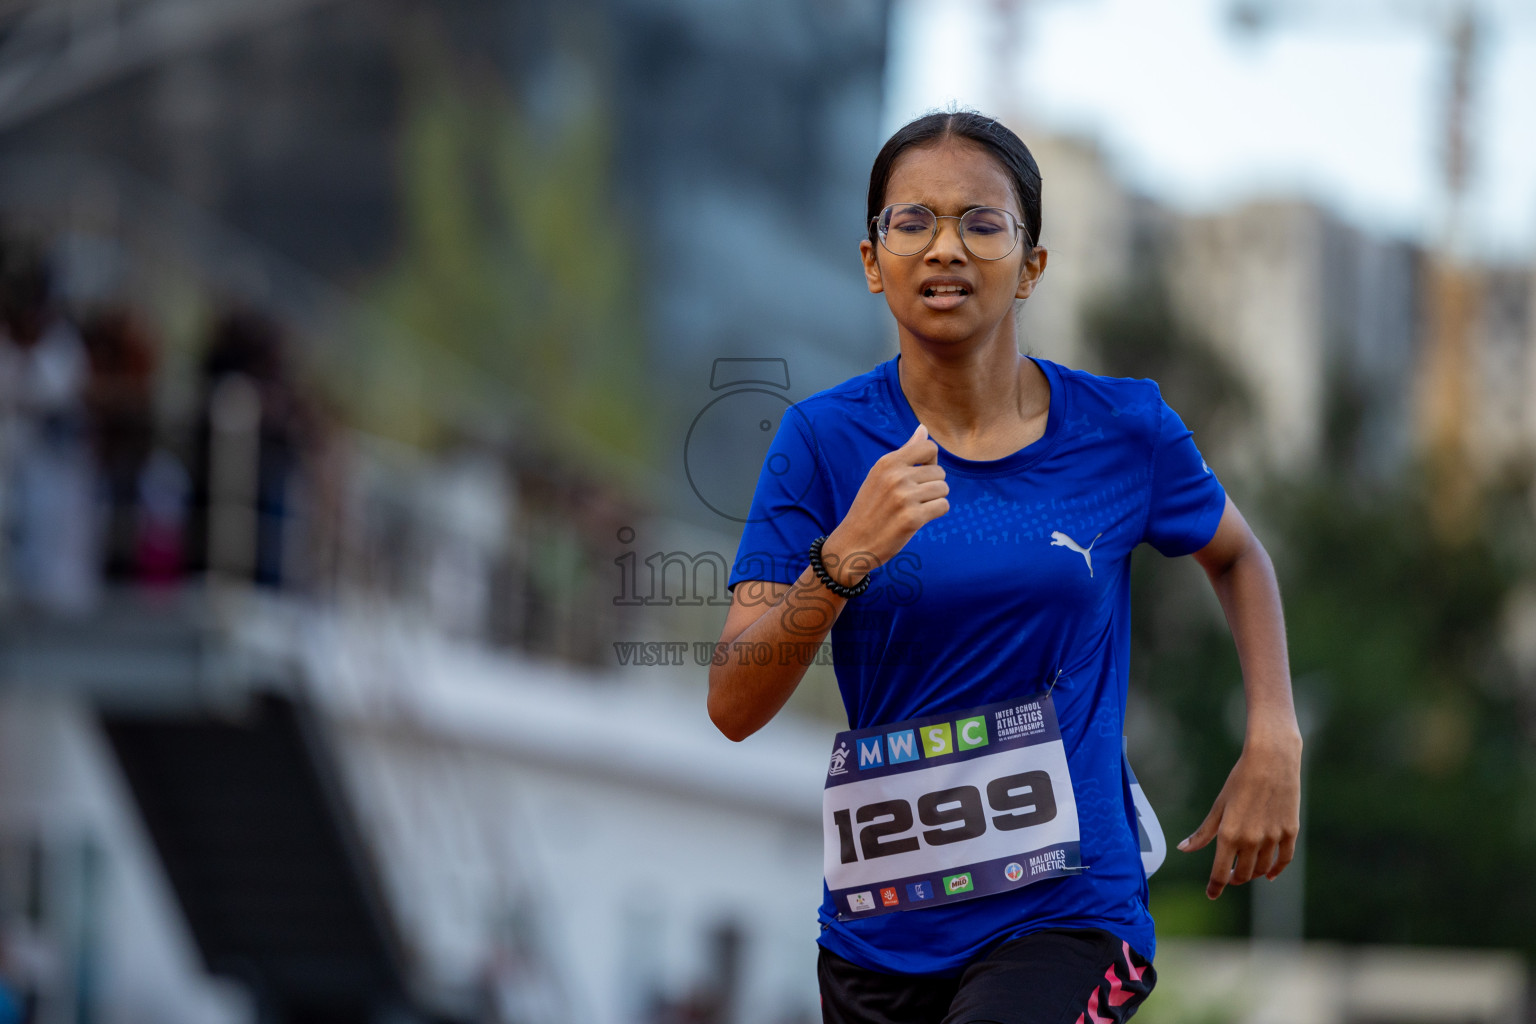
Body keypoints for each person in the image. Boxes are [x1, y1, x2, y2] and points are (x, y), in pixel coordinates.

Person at [707, 111, 1301, 1024]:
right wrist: (842, 560)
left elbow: (1238, 554)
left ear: (1032, 265)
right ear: (872, 261)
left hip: (1067, 914)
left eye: (982, 223)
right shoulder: (822, 443)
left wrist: (1274, 735)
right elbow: (733, 705)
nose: (946, 247)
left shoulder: (1123, 431)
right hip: (882, 932)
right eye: (913, 223)